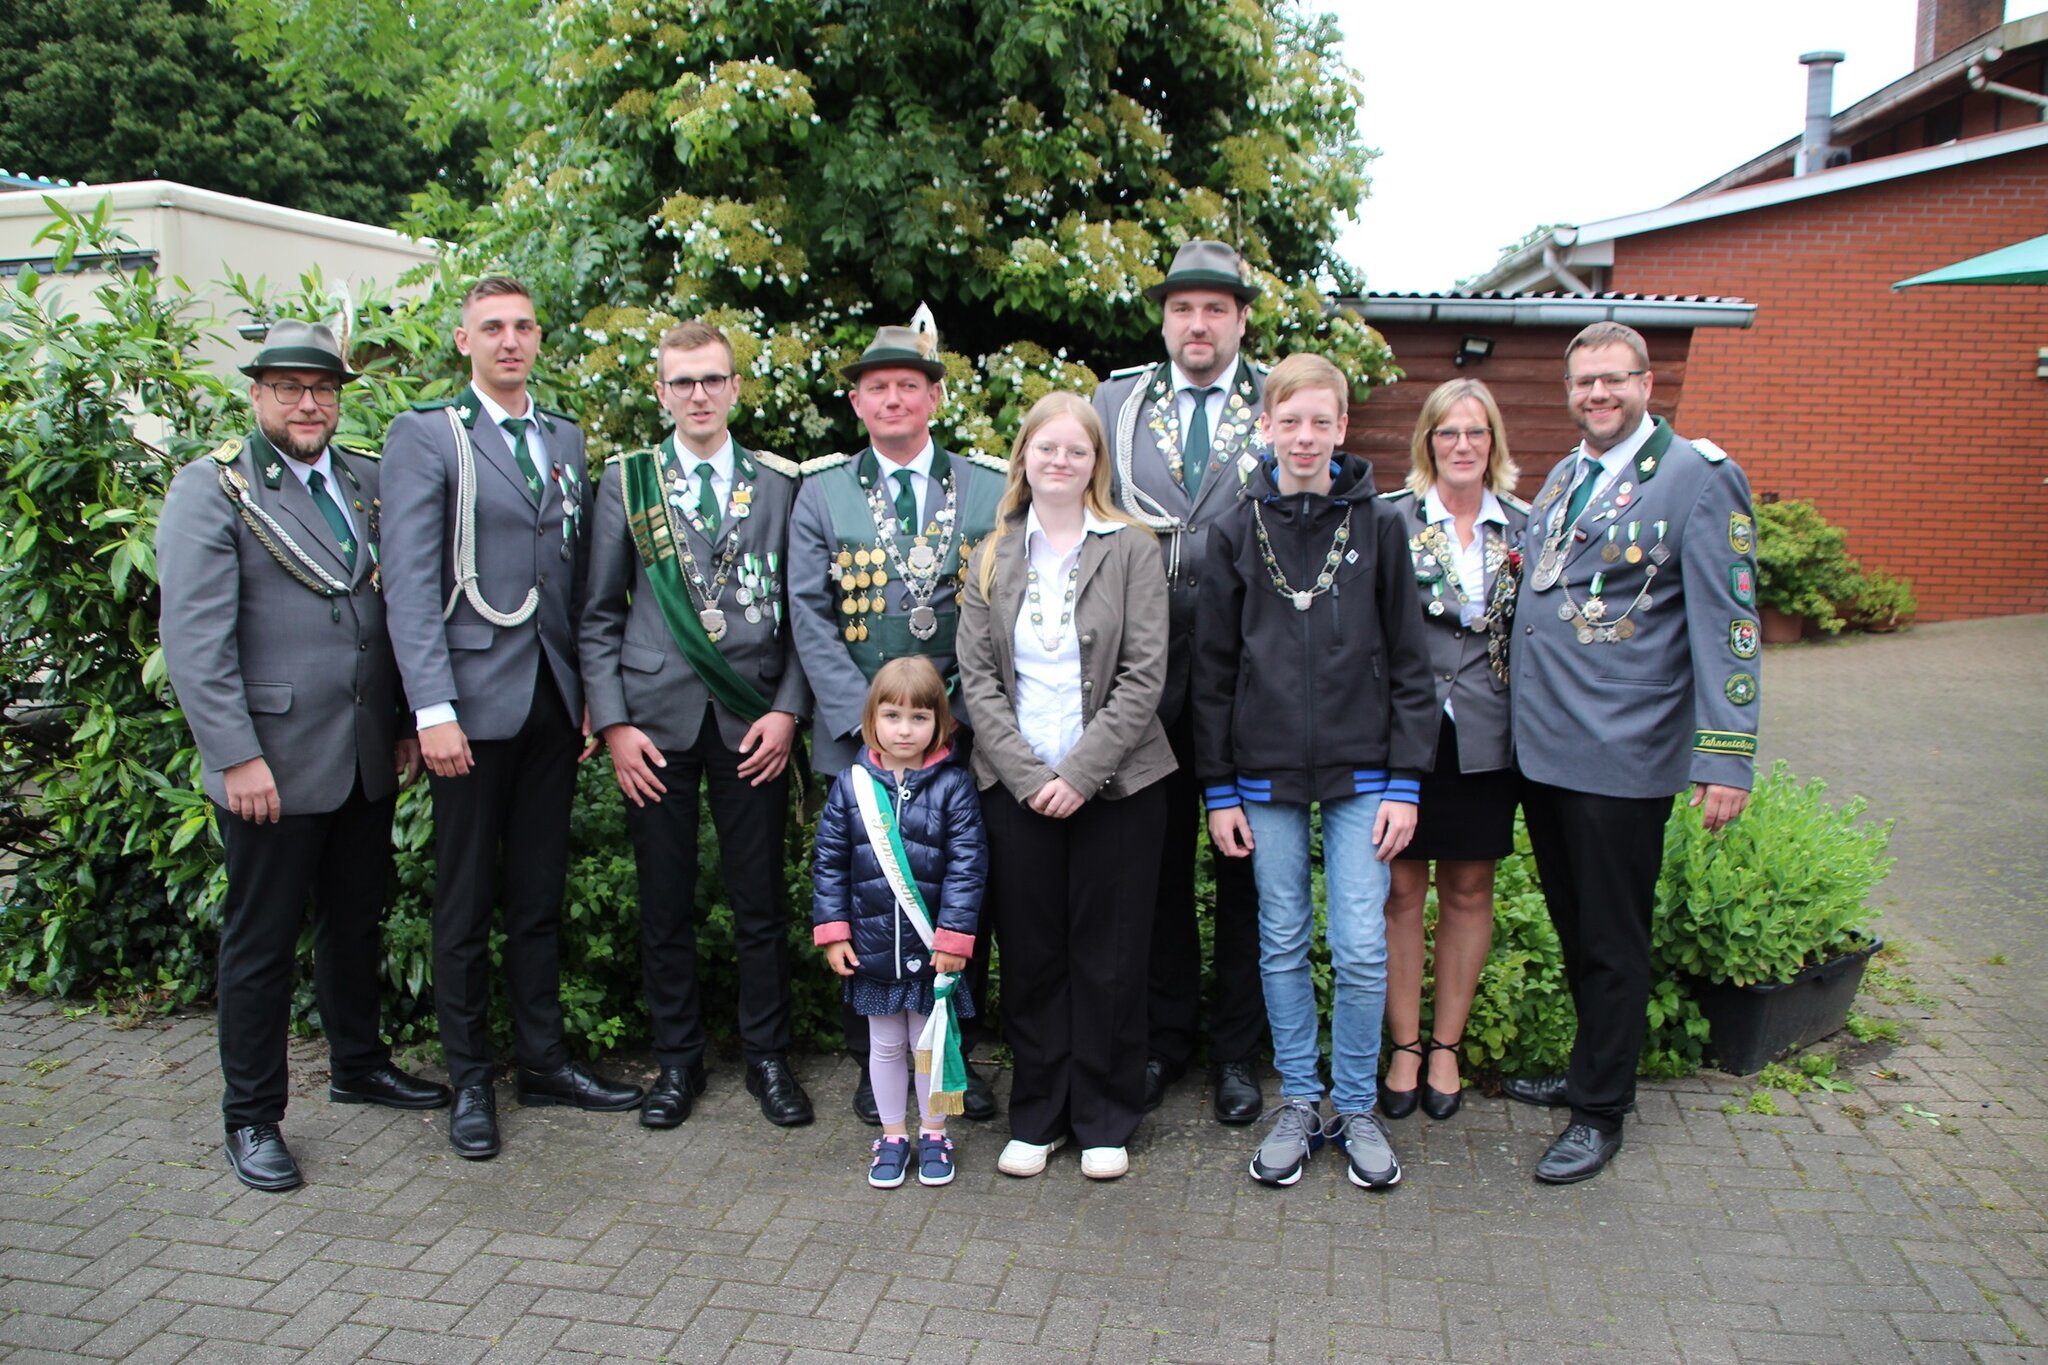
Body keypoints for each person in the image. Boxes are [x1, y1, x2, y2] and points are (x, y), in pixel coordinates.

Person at [157, 320, 449, 1192]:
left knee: (354, 921)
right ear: (257, 396)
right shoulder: (213, 490)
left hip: (361, 752)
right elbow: (196, 641)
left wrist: (400, 719)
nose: (308, 403)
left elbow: (387, 616)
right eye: (288, 388)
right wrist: (234, 755)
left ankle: (357, 1064)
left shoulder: (363, 480)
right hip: (271, 765)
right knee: (260, 943)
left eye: (321, 389)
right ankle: (251, 1116)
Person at [382, 276, 642, 1161]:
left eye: (524, 326)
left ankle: (542, 1060)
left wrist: (582, 700)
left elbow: (571, 581)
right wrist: (431, 708)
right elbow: (412, 585)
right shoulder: (428, 436)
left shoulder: (563, 436)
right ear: (463, 341)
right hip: (466, 707)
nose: (510, 341)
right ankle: (468, 1084)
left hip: (547, 702)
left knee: (536, 897)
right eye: (492, 327)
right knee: (462, 903)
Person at [1504, 322, 1760, 1184]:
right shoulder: (1567, 473)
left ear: (1649, 384)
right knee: (1578, 929)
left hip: (1623, 751)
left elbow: (1730, 624)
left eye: (1614, 380)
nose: (1598, 395)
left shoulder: (1698, 478)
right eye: (1584, 382)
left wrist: (1726, 754)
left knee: (1613, 937)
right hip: (1546, 750)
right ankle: (1593, 1068)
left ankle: (1601, 1111)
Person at [1193, 353, 1437, 1191]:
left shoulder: (1381, 527)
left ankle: (1357, 1105)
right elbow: (1213, 670)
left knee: (1362, 945)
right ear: (1265, 427)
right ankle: (1300, 1099)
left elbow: (1411, 663)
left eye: (1319, 421)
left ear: (1342, 427)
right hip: (1261, 777)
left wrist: (1406, 779)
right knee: (1283, 940)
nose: (1304, 436)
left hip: (1364, 773)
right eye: (1287, 420)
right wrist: (1218, 786)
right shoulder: (1235, 526)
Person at [580, 320, 813, 1129]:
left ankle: (769, 1061)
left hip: (752, 721)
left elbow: (803, 616)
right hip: (654, 726)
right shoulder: (626, 482)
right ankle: (677, 1063)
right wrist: (612, 725)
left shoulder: (780, 484)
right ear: (660, 392)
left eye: (713, 379)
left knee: (760, 902)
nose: (699, 395)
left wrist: (788, 709)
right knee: (664, 902)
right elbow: (599, 614)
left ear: (737, 387)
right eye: (682, 382)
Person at [787, 316, 1006, 1125]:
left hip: (962, 736)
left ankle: (952, 1064)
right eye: (876, 387)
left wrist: (950, 719)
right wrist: (865, 721)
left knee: (958, 894)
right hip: (859, 739)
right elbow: (807, 611)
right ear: (856, 402)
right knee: (865, 888)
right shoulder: (821, 489)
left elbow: (999, 606)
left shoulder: (987, 488)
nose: (892, 398)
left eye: (907, 384)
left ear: (934, 396)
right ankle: (868, 1057)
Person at [956, 392, 1176, 1181]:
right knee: (1034, 953)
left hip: (1119, 788)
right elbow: (977, 682)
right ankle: (1040, 1114)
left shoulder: (1132, 548)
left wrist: (1080, 774)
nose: (1059, 461)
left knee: (1111, 954)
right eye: (1045, 448)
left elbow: (1146, 673)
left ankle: (1106, 1116)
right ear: (1024, 459)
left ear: (1094, 464)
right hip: (1015, 789)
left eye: (1075, 451)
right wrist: (1027, 775)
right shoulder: (990, 555)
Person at [1093, 239, 1269, 1125]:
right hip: (1143, 677)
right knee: (1152, 872)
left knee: (1247, 872)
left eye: (1214, 309)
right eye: (1181, 308)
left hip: (1248, 676)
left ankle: (1238, 1052)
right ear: (1164, 319)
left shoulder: (1283, 403)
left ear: (1241, 319)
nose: (1196, 324)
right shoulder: (1116, 402)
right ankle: (1165, 1038)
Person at [1378, 379, 1529, 1123]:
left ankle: (1446, 1044)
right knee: (1402, 892)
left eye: (1475, 432)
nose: (1461, 445)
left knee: (1469, 890)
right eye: (1447, 433)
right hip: (1405, 733)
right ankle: (1404, 1045)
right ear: (1427, 443)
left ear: (1493, 441)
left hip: (1486, 737)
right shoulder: (1390, 520)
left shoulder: (1525, 529)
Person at [812, 658, 987, 1188]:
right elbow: (828, 862)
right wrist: (835, 932)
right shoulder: (851, 785)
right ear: (871, 720)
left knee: (930, 1045)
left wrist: (955, 939)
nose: (904, 729)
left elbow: (968, 865)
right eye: (892, 716)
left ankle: (933, 1133)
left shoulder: (955, 787)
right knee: (884, 1047)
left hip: (933, 951)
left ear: (941, 722)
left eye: (918, 717)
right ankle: (892, 1137)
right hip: (873, 950)